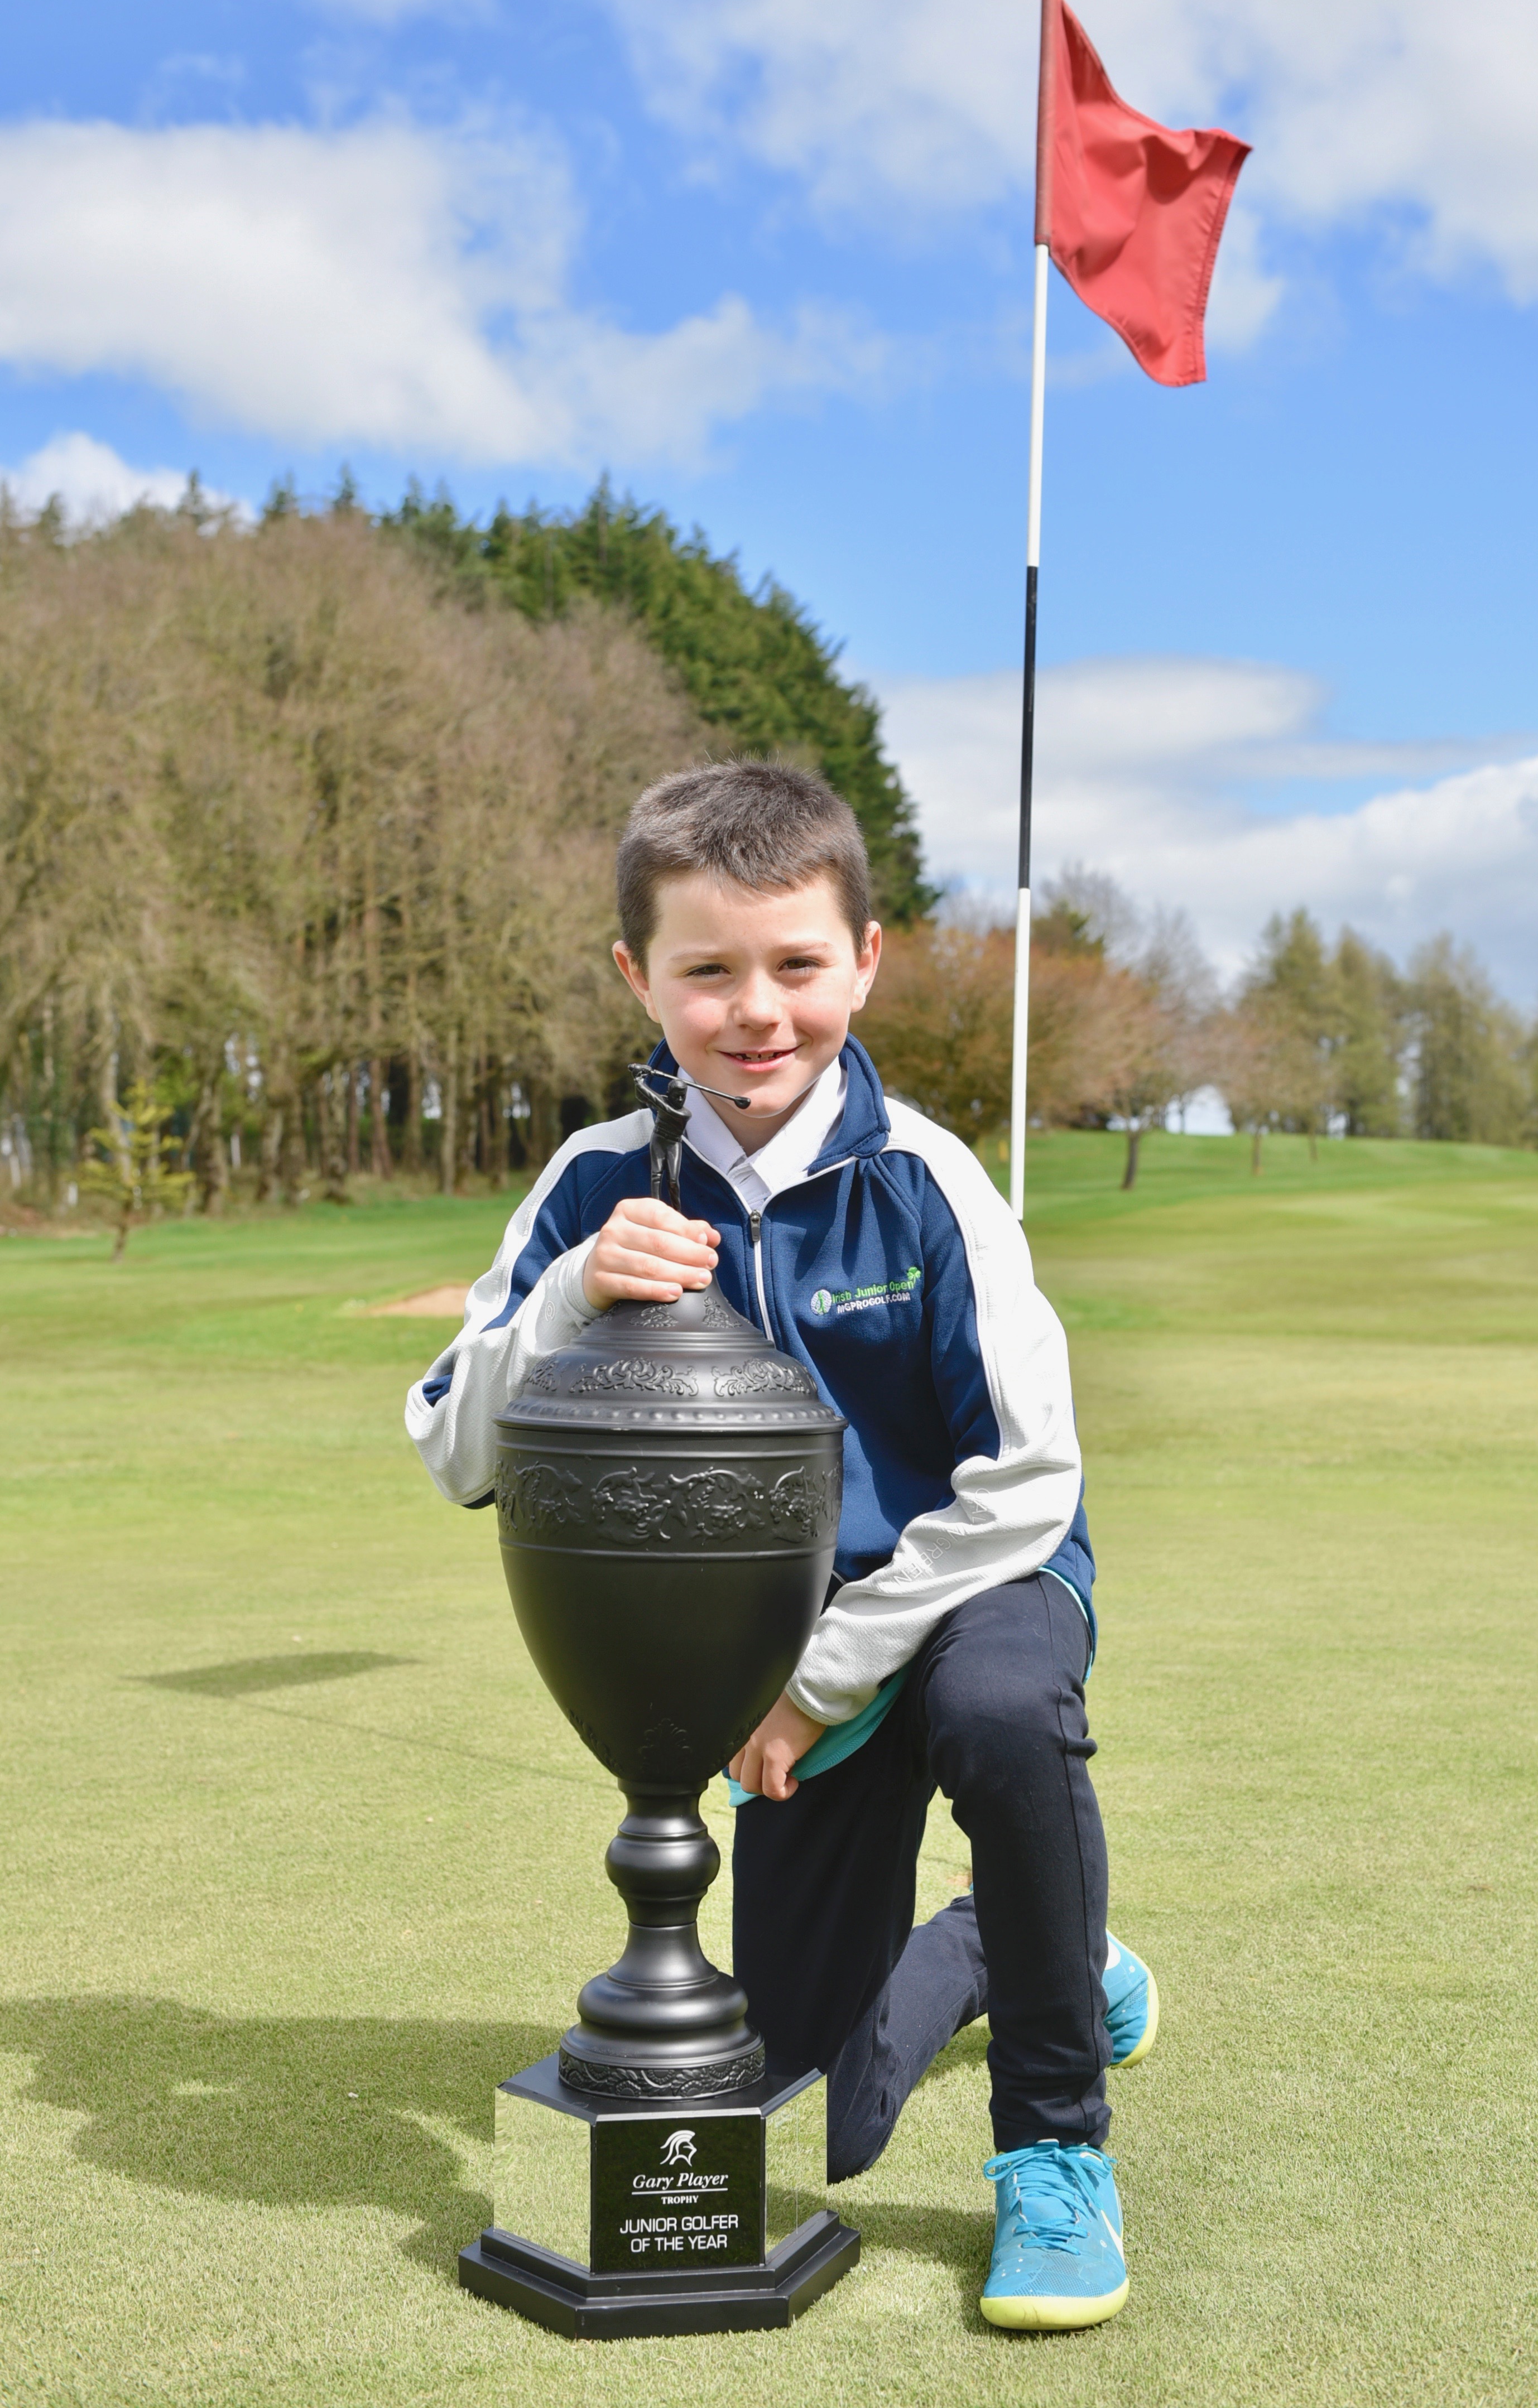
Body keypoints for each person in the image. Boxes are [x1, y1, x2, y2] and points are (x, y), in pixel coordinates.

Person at [406, 759, 1159, 2332]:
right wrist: (570, 1300)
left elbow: (1031, 1477)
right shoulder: (594, 1183)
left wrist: (818, 1680)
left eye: (800, 965)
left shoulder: (929, 1178)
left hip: (965, 1591)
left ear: (866, 959)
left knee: (1005, 1712)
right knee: (821, 2103)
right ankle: (1052, 1951)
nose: (758, 1009)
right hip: (775, 1670)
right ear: (640, 977)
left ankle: (1053, 2145)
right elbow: (452, 1448)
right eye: (708, 970)